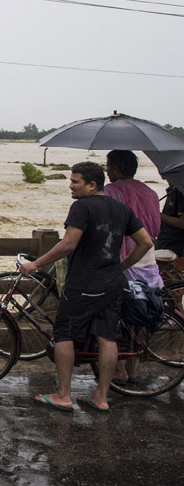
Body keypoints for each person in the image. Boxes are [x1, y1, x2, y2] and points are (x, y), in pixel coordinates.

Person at [20, 162, 153, 413]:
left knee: (64, 333)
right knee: (107, 336)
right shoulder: (121, 208)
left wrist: (36, 263)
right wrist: (121, 266)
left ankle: (63, 395)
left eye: (75, 181)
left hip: (84, 283)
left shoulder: (82, 207)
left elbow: (69, 244)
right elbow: (145, 242)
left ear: (92, 185)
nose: (70, 186)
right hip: (113, 282)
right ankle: (101, 397)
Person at [103, 150, 162, 289]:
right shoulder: (150, 192)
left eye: (108, 167)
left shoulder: (110, 190)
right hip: (147, 256)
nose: (107, 172)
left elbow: (105, 225)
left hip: (123, 258)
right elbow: (155, 227)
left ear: (116, 169)